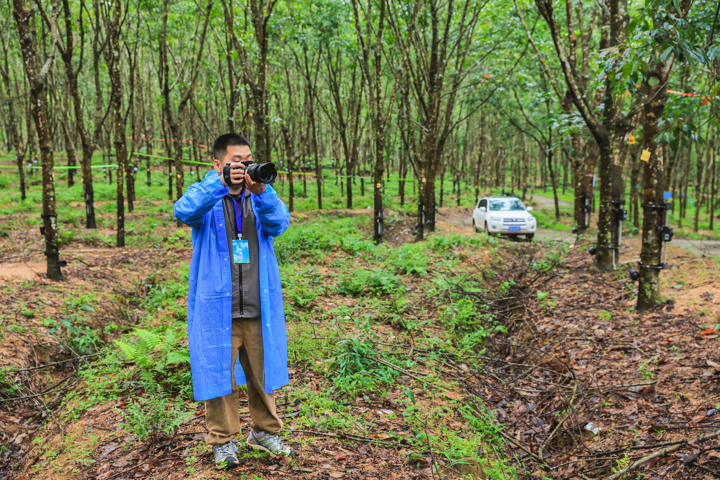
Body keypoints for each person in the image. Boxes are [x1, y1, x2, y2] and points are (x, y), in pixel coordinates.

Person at [174, 133, 294, 469]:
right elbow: (183, 211)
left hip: (257, 304)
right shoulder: (207, 198)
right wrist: (218, 184)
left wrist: (264, 192)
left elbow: (280, 223)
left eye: (247, 159)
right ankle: (223, 441)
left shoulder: (258, 198)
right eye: (234, 161)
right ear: (217, 164)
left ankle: (264, 432)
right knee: (218, 376)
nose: (242, 166)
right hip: (218, 308)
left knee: (262, 373)